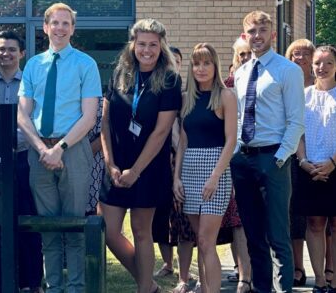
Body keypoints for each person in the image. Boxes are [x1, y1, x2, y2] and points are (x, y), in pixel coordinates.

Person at [18, 3, 102, 293]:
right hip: (39, 151)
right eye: (55, 23)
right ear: (45, 27)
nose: (60, 28)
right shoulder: (32, 65)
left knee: (74, 226)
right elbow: (22, 114)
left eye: (66, 24)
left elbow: (90, 116)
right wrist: (43, 148)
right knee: (48, 227)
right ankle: (53, 286)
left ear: (73, 29)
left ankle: (76, 287)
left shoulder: (85, 64)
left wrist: (61, 148)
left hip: (74, 150)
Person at [100, 18, 181, 293]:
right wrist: (110, 163)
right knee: (109, 231)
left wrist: (135, 171)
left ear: (162, 47)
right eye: (142, 43)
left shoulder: (170, 79)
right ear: (133, 44)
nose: (147, 50)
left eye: (153, 45)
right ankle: (150, 285)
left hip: (148, 169)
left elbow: (161, 132)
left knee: (141, 231)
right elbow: (104, 122)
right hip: (115, 167)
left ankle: (144, 288)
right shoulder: (120, 73)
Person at [230, 10, 305, 293]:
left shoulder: (288, 70)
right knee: (253, 235)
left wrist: (280, 157)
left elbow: (296, 120)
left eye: (262, 31)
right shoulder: (241, 73)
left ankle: (283, 289)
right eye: (252, 31)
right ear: (245, 36)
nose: (257, 36)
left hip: (273, 158)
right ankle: (262, 288)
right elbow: (238, 118)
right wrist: (236, 153)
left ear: (272, 35)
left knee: (278, 234)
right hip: (244, 160)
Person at [293, 46, 336, 293]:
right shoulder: (303, 95)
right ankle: (319, 279)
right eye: (318, 63)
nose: (322, 67)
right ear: (312, 65)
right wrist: (303, 161)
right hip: (309, 167)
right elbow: (296, 132)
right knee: (314, 223)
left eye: (328, 63)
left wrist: (332, 162)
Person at [173, 43, 237, 293]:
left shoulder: (226, 95)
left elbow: (231, 140)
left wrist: (214, 177)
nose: (201, 68)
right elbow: (183, 141)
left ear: (215, 66)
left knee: (206, 240)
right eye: (196, 63)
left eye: (206, 63)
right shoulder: (186, 97)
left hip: (215, 171)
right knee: (200, 240)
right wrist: (176, 178)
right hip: (189, 170)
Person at [0, 30, 45, 293]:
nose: (5, 54)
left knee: (28, 221)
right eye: (1, 49)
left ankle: (31, 282)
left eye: (11, 49)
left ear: (22, 54)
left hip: (25, 158)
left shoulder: (31, 84)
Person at [153, 46, 197, 293]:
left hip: (183, 161)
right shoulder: (156, 93)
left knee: (183, 219)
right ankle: (168, 264)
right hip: (159, 163)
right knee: (161, 217)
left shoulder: (186, 96)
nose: (172, 66)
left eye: (176, 62)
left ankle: (184, 274)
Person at [220, 37, 252, 288]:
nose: (245, 59)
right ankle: (242, 272)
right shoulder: (227, 86)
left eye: (249, 54)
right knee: (235, 217)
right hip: (231, 157)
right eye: (241, 55)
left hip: (259, 156)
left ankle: (253, 271)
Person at [284, 38, 316, 287]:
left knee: (318, 217)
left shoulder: (322, 86)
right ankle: (297, 266)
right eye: (296, 54)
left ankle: (326, 269)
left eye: (306, 54)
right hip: (293, 158)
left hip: (320, 159)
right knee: (295, 214)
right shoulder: (286, 85)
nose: (301, 58)